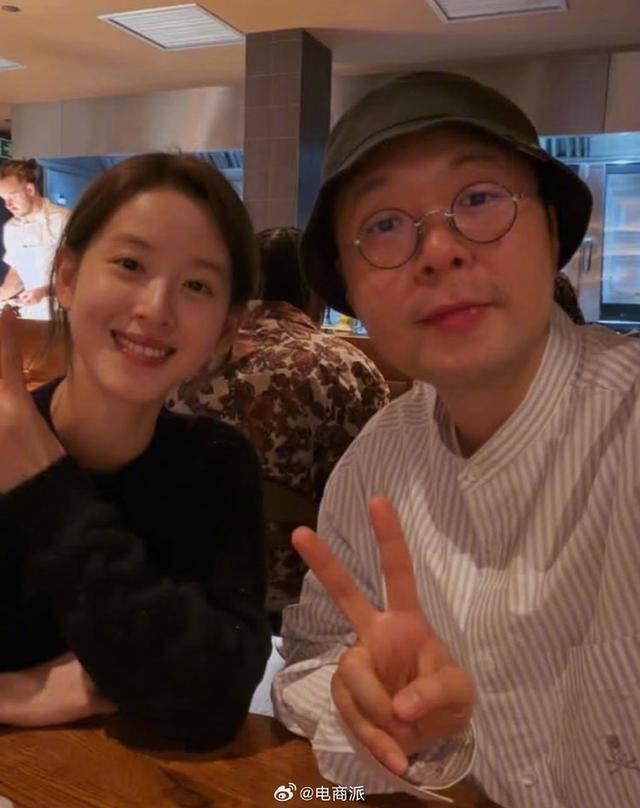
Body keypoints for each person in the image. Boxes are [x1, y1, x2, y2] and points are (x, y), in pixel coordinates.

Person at [272, 71, 640, 807]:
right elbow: (310, 665)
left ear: (552, 231)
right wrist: (378, 708)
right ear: (350, 288)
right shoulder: (377, 460)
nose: (438, 251)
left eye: (478, 199)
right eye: (384, 225)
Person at [0, 153, 271, 749]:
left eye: (196, 285)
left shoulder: (215, 466)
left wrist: (41, 477)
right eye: (129, 264)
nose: (155, 308)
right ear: (67, 278)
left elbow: (216, 698)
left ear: (224, 331)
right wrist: (108, 678)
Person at [168, 227, 390, 623]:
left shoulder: (182, 355)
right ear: (315, 293)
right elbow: (374, 499)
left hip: (182, 581)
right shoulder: (344, 367)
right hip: (301, 602)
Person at [0, 159, 70, 319]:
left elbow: (79, 275)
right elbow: (16, 273)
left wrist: (43, 292)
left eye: (12, 197)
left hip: (63, 315)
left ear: (30, 190)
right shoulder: (11, 229)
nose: (8, 205)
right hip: (31, 315)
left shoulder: (63, 220)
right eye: (3, 199)